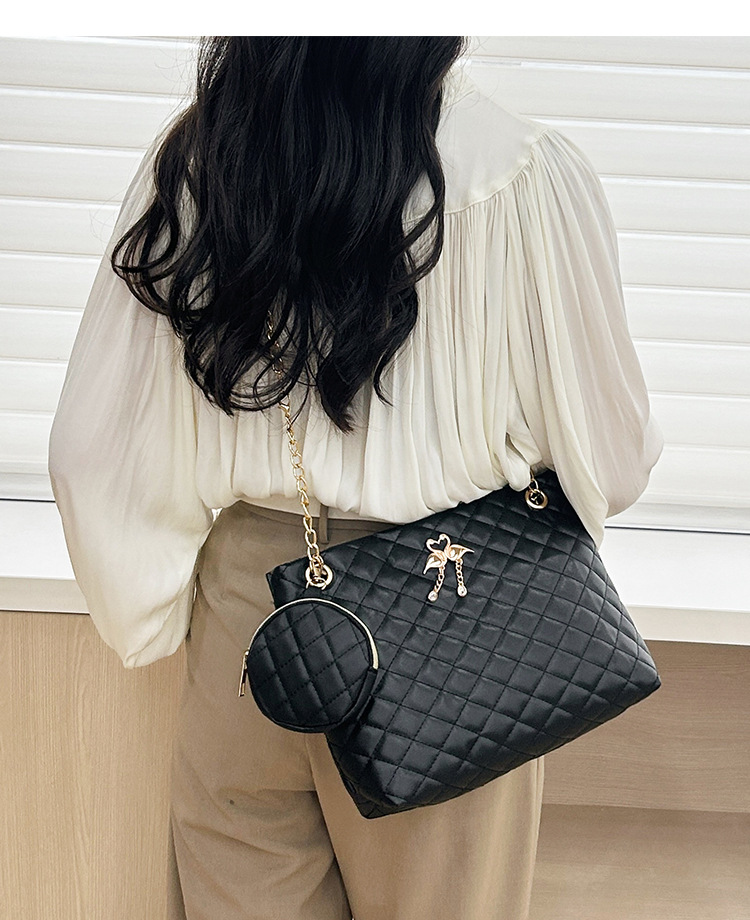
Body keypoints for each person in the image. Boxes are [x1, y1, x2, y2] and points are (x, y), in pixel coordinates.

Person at [48, 36, 663, 920]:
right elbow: (614, 456)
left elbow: (89, 447)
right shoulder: (523, 172)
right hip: (454, 619)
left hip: (254, 620)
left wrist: (152, 618)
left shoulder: (201, 158)